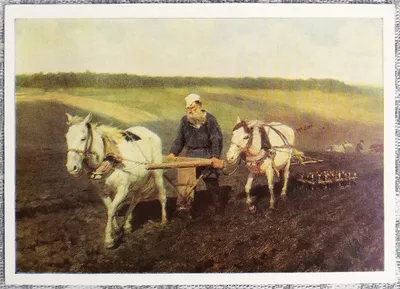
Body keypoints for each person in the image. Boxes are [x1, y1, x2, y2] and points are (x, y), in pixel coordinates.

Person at [168, 93, 224, 217]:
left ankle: (219, 209)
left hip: (207, 154)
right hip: (191, 155)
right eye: (188, 109)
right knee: (187, 185)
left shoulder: (210, 119)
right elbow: (179, 139)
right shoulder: (185, 120)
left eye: (192, 108)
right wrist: (173, 153)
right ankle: (186, 210)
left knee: (211, 182)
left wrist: (215, 156)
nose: (190, 111)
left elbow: (216, 138)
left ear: (199, 105)